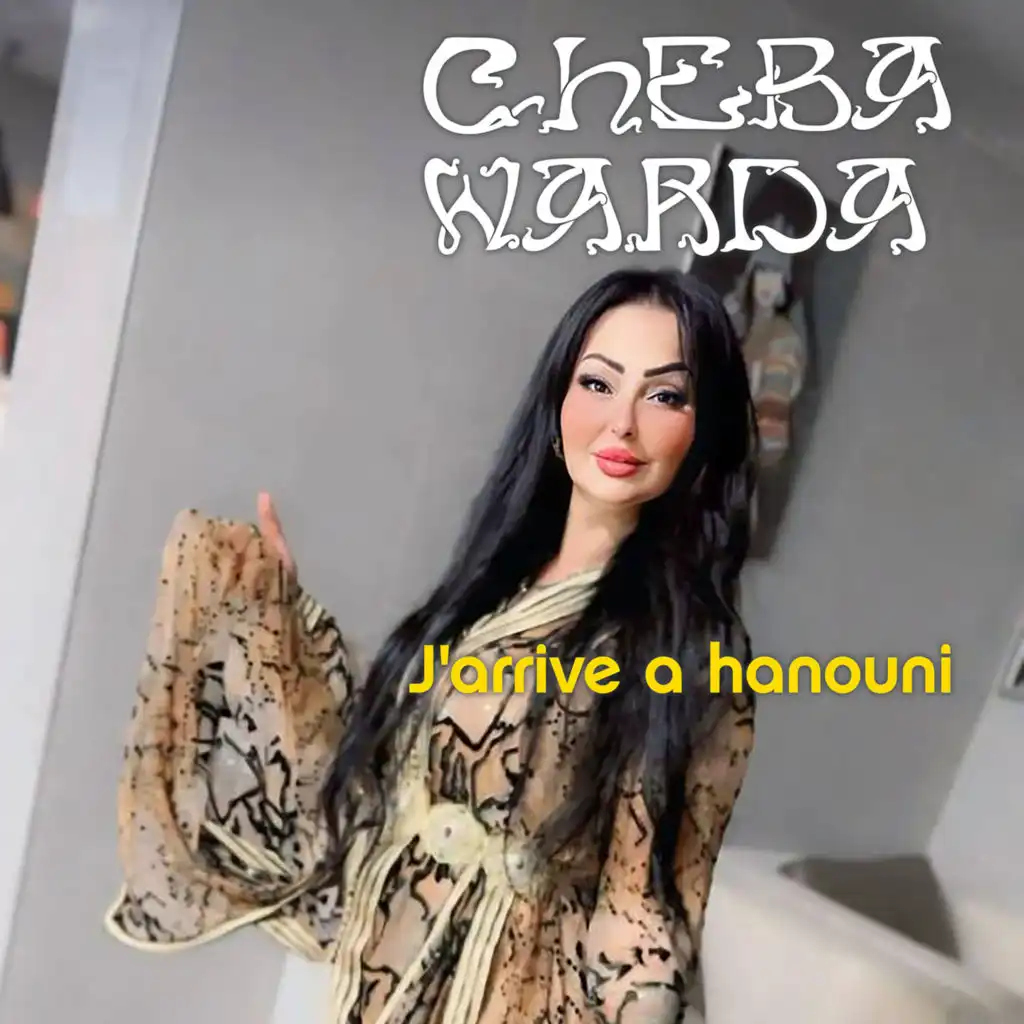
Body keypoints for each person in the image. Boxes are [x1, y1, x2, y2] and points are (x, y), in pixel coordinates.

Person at [106, 266, 759, 1024]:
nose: (622, 423)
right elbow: (369, 785)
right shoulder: (493, 588)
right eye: (598, 383)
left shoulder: (690, 653)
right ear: (556, 404)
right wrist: (274, 620)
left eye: (665, 396)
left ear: (701, 436)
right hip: (381, 973)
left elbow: (641, 907)